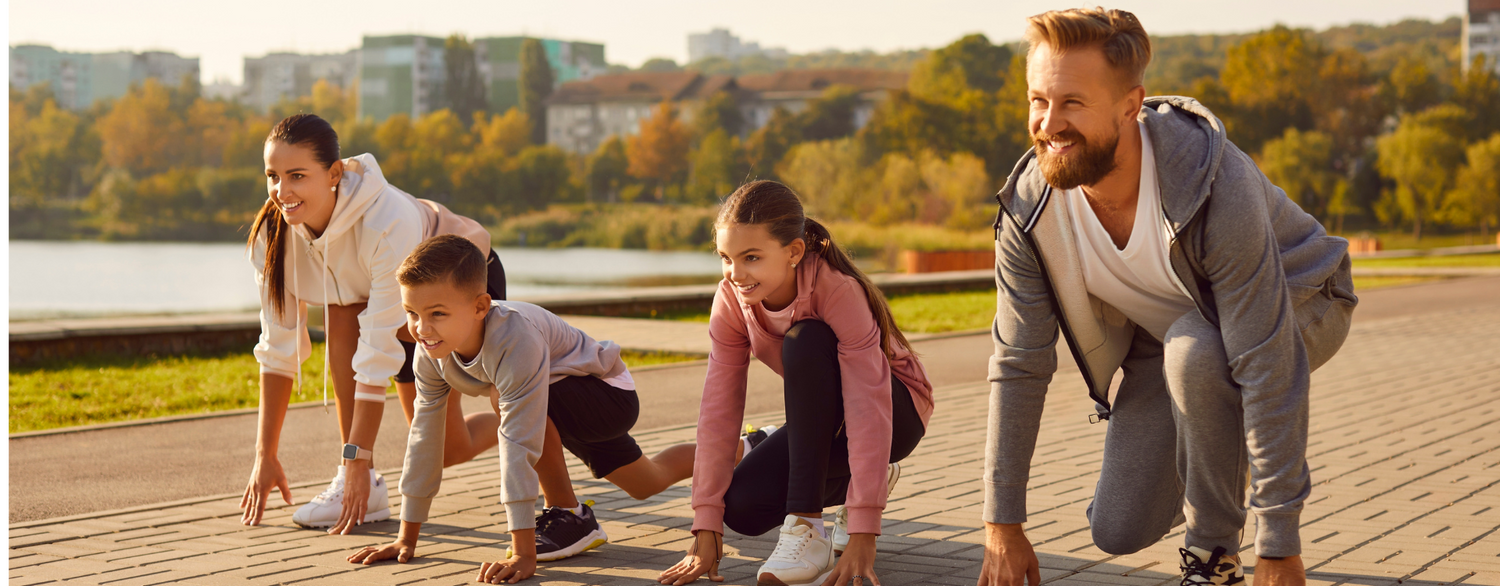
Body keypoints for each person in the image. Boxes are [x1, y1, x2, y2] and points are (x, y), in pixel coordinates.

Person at [976, 8, 1355, 586]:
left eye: (1072, 102)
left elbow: (1266, 365)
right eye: (1038, 100)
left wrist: (1279, 546)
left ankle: (1212, 557)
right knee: (1117, 529)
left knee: (1196, 353)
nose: (1049, 124)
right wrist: (1002, 524)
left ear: (1130, 105)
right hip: (1172, 339)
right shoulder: (1030, 210)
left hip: (1304, 298)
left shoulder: (1213, 182)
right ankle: (1219, 445)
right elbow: (1019, 364)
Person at [346, 235, 768, 583]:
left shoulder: (514, 339)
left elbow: (518, 443)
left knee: (507, 402)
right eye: (412, 313)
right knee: (647, 481)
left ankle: (569, 516)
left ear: (480, 306)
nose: (421, 328)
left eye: (437, 313)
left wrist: (523, 553)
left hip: (608, 395)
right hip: (564, 402)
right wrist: (406, 539)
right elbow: (424, 438)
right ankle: (749, 447)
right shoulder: (430, 352)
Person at [239, 114, 507, 534]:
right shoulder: (271, 238)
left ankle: (539, 415)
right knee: (343, 313)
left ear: (333, 174)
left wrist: (358, 455)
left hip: (458, 286)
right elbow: (278, 347)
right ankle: (359, 480)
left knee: (449, 445)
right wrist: (265, 455)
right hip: (382, 306)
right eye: (272, 176)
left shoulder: (387, 221)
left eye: (297, 176)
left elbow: (377, 348)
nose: (281, 191)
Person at [657, 181, 934, 586]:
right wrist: (705, 524)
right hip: (826, 419)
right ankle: (862, 481)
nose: (736, 274)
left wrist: (864, 529)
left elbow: (867, 406)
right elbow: (719, 409)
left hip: (895, 411)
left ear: (794, 252)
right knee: (742, 507)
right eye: (726, 258)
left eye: (751, 257)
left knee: (805, 340)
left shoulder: (835, 289)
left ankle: (807, 529)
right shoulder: (731, 300)